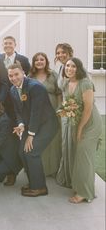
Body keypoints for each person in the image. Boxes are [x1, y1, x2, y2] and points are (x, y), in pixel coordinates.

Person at [8, 63, 59, 197]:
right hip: (31, 124)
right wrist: (20, 124)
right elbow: (18, 111)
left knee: (31, 152)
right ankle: (34, 182)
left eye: (16, 74)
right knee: (22, 151)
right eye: (10, 75)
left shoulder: (35, 87)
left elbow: (36, 113)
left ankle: (40, 188)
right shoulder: (13, 90)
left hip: (47, 124)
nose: (14, 78)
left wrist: (30, 135)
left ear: (23, 73)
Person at [56, 57, 102, 204]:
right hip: (76, 122)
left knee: (83, 156)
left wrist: (80, 129)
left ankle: (84, 192)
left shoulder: (86, 83)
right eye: (67, 66)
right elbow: (67, 102)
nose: (69, 68)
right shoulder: (67, 82)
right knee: (76, 154)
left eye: (73, 66)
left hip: (90, 124)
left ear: (79, 68)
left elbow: (88, 109)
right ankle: (79, 184)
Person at [29, 52, 62, 176]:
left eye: (41, 59)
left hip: (52, 108)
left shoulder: (53, 74)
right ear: (33, 63)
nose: (39, 62)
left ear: (46, 61)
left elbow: (59, 92)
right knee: (40, 138)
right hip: (37, 111)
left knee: (53, 139)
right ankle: (41, 169)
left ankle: (53, 169)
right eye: (36, 60)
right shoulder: (30, 76)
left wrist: (58, 108)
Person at [0, 36, 30, 123]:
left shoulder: (23, 60)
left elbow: (29, 77)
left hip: (18, 95)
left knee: (18, 120)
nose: (8, 45)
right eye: (5, 43)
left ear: (15, 45)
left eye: (10, 43)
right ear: (2, 45)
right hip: (3, 97)